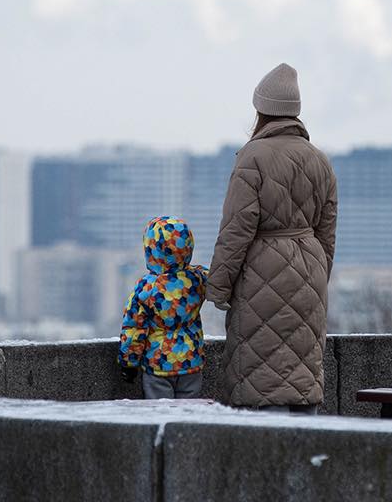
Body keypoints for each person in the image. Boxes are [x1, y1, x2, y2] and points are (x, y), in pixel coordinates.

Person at [207, 63, 338, 413]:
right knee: (302, 368)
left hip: (261, 270)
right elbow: (327, 232)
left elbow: (237, 228)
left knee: (259, 376)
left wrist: (218, 286)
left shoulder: (253, 156)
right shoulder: (320, 160)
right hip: (309, 271)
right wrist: (317, 275)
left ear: (261, 110)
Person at [117, 216, 209, 399]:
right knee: (190, 416)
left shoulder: (146, 287)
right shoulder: (198, 278)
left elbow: (134, 328)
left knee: (160, 414)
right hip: (192, 363)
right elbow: (221, 282)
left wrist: (129, 361)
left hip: (158, 364)